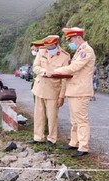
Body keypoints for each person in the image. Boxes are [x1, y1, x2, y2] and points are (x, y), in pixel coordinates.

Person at [46, 27, 96, 157]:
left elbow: (74, 68)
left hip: (80, 91)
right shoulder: (79, 51)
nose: (70, 43)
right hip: (74, 90)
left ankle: (83, 146)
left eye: (71, 40)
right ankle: (74, 142)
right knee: (74, 119)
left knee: (81, 119)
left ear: (78, 38)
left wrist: (56, 71)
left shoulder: (86, 51)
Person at [28, 35, 70, 147]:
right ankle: (38, 137)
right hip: (39, 88)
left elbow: (65, 78)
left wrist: (62, 96)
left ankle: (52, 139)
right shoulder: (41, 51)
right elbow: (35, 67)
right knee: (38, 115)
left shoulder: (64, 57)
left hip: (53, 91)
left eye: (50, 47)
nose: (47, 49)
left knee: (52, 117)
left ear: (55, 44)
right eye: (46, 47)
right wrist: (44, 72)